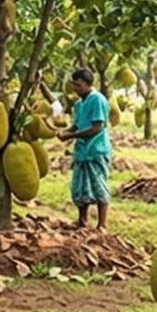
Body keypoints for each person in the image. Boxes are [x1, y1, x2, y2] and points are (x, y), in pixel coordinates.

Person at [57, 68, 112, 230]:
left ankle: (102, 225)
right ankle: (82, 220)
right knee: (80, 186)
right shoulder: (79, 104)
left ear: (88, 84)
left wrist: (71, 136)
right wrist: (66, 132)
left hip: (96, 149)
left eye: (79, 85)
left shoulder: (98, 100)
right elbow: (77, 124)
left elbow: (97, 127)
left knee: (98, 186)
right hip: (82, 151)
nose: (75, 88)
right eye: (74, 85)